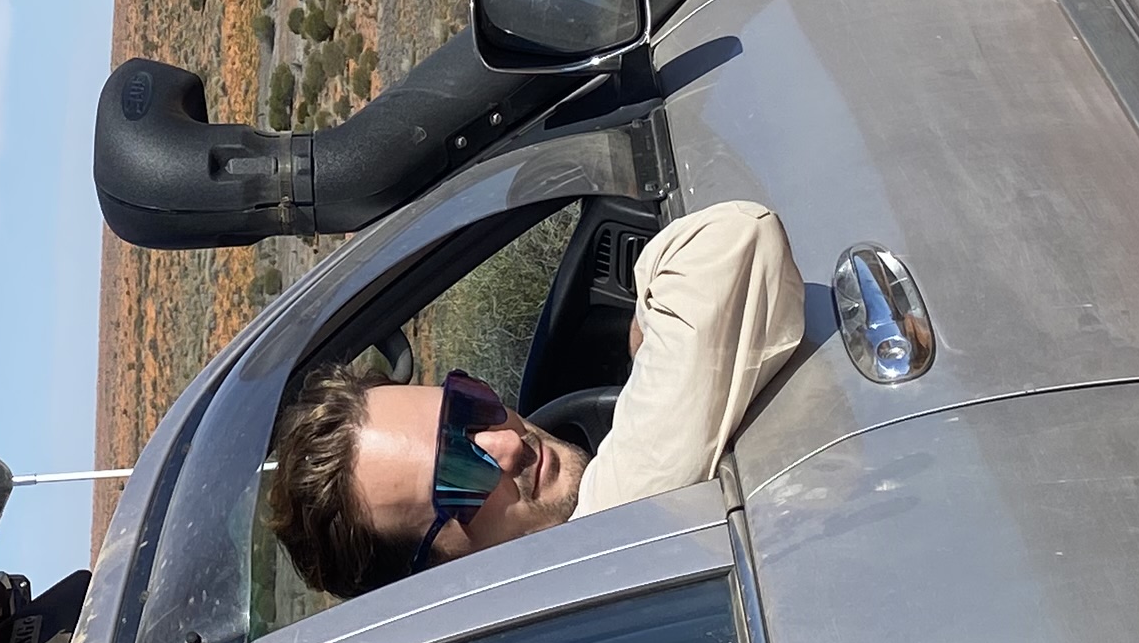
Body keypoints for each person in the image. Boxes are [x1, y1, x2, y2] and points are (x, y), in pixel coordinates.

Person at [263, 197, 808, 598]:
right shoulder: (610, 540)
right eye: (459, 474)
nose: (507, 443)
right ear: (444, 577)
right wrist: (644, 325)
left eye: (469, 406)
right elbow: (734, 242)